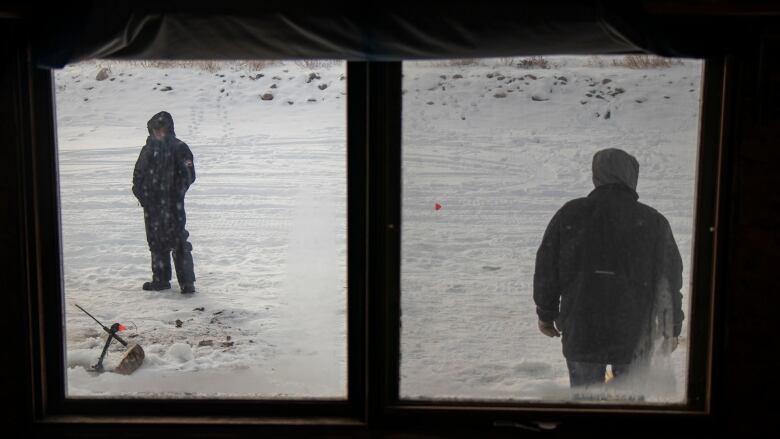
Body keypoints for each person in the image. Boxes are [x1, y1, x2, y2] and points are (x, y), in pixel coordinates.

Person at [533, 148, 684, 392]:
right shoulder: (653, 221)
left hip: (582, 330)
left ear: (597, 176)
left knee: (584, 405)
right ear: (632, 176)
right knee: (628, 410)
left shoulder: (570, 214)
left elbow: (546, 269)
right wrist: (671, 326)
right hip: (634, 334)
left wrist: (546, 313)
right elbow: (669, 280)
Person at [132, 111, 197, 294]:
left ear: (169, 130)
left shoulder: (179, 148)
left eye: (162, 130)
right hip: (152, 207)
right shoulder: (148, 149)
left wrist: (174, 195)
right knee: (156, 242)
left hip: (172, 206)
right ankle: (160, 280)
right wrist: (142, 195)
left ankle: (187, 283)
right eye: (156, 130)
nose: (159, 133)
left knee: (178, 242)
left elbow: (188, 176)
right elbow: (138, 174)